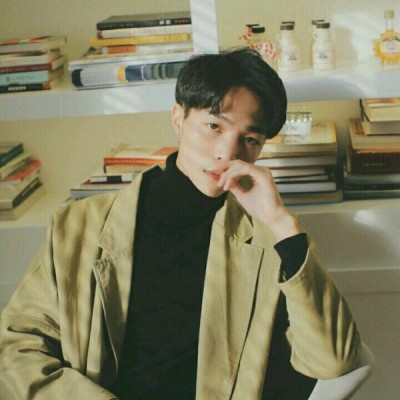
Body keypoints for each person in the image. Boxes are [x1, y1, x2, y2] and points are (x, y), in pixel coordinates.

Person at [0, 47, 360, 400]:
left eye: (250, 140)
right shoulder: (78, 226)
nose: (227, 152)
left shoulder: (270, 240)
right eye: (214, 126)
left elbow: (332, 360)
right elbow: (17, 348)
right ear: (178, 118)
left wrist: (281, 222)